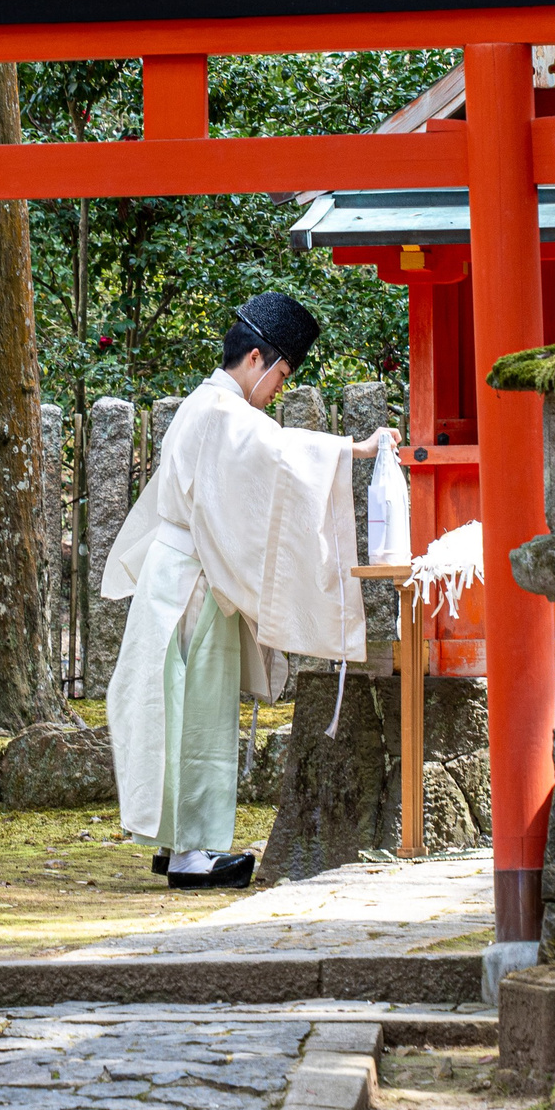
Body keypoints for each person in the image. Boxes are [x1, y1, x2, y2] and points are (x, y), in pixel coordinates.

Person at [102, 292, 398, 889]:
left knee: (178, 704)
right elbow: (281, 458)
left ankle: (177, 841)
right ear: (257, 358)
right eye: (282, 375)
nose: (279, 390)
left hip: (180, 577)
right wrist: (355, 449)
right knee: (199, 711)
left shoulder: (205, 406)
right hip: (192, 583)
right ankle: (194, 852)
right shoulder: (221, 413)